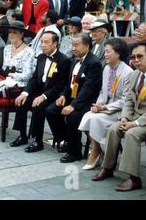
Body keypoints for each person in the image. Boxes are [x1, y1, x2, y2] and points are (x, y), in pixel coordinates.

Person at [92, 42, 146, 192]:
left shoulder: (129, 72)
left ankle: (134, 178)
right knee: (113, 129)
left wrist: (134, 123)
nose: (136, 60)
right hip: (134, 117)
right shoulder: (135, 75)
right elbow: (128, 100)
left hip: (142, 121)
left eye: (140, 56)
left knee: (131, 134)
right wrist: (125, 118)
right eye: (133, 57)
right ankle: (108, 168)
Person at [45, 33, 103, 163]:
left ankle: (74, 152)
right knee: (51, 110)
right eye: (72, 45)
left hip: (86, 101)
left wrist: (73, 106)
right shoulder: (74, 60)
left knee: (73, 117)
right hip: (71, 96)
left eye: (77, 45)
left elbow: (88, 90)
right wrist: (63, 95)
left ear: (87, 46)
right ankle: (66, 139)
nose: (73, 48)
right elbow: (69, 83)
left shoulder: (94, 63)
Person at [78, 38, 132, 171]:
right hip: (106, 108)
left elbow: (126, 100)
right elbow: (103, 91)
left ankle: (95, 151)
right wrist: (99, 104)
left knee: (94, 119)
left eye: (108, 52)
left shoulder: (127, 72)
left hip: (119, 111)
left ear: (118, 53)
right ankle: (97, 149)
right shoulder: (107, 68)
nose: (105, 54)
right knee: (88, 115)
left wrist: (105, 107)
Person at [14, 31, 70, 152]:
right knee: (21, 101)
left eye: (46, 42)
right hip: (40, 90)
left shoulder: (64, 60)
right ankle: (22, 135)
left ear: (55, 43)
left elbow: (61, 85)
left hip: (53, 94)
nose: (43, 45)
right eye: (41, 42)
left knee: (38, 107)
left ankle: (38, 141)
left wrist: (44, 96)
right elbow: (34, 78)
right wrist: (25, 93)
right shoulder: (41, 57)